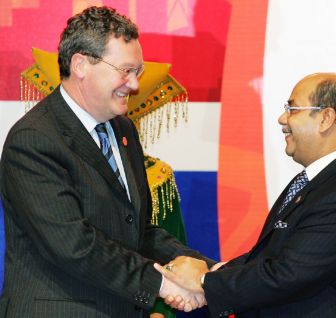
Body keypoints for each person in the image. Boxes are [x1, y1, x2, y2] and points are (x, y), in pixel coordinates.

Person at [0, 6, 211, 317]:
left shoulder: (123, 130)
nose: (135, 85)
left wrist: (209, 271)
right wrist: (164, 285)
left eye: (137, 72)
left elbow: (137, 232)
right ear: (81, 64)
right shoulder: (34, 139)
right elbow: (73, 245)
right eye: (124, 70)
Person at [156, 72, 336, 317]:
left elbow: (288, 276)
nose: (282, 118)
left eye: (293, 109)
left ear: (326, 118)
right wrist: (212, 273)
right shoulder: (321, 181)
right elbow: (271, 257)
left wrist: (202, 281)